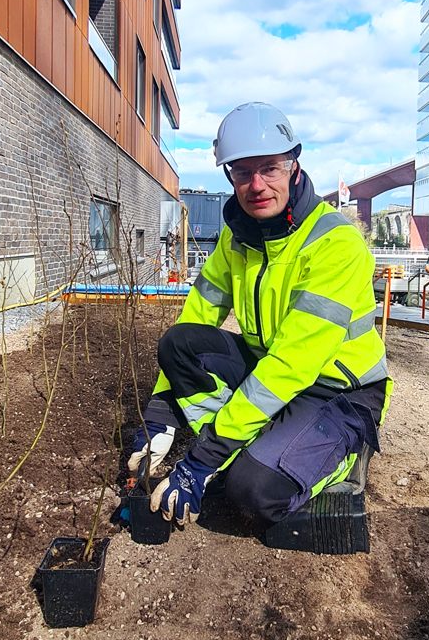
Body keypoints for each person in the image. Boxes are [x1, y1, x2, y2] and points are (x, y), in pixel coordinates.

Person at [127, 102, 392, 527]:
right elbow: (197, 316)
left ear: (293, 166)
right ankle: (249, 437)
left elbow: (294, 362)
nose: (256, 185)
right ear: (229, 175)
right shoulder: (236, 235)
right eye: (242, 172)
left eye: (269, 168)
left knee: (251, 491)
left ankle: (341, 457)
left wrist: (203, 459)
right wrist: (160, 411)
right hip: (268, 369)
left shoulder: (335, 244)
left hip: (339, 390)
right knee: (178, 344)